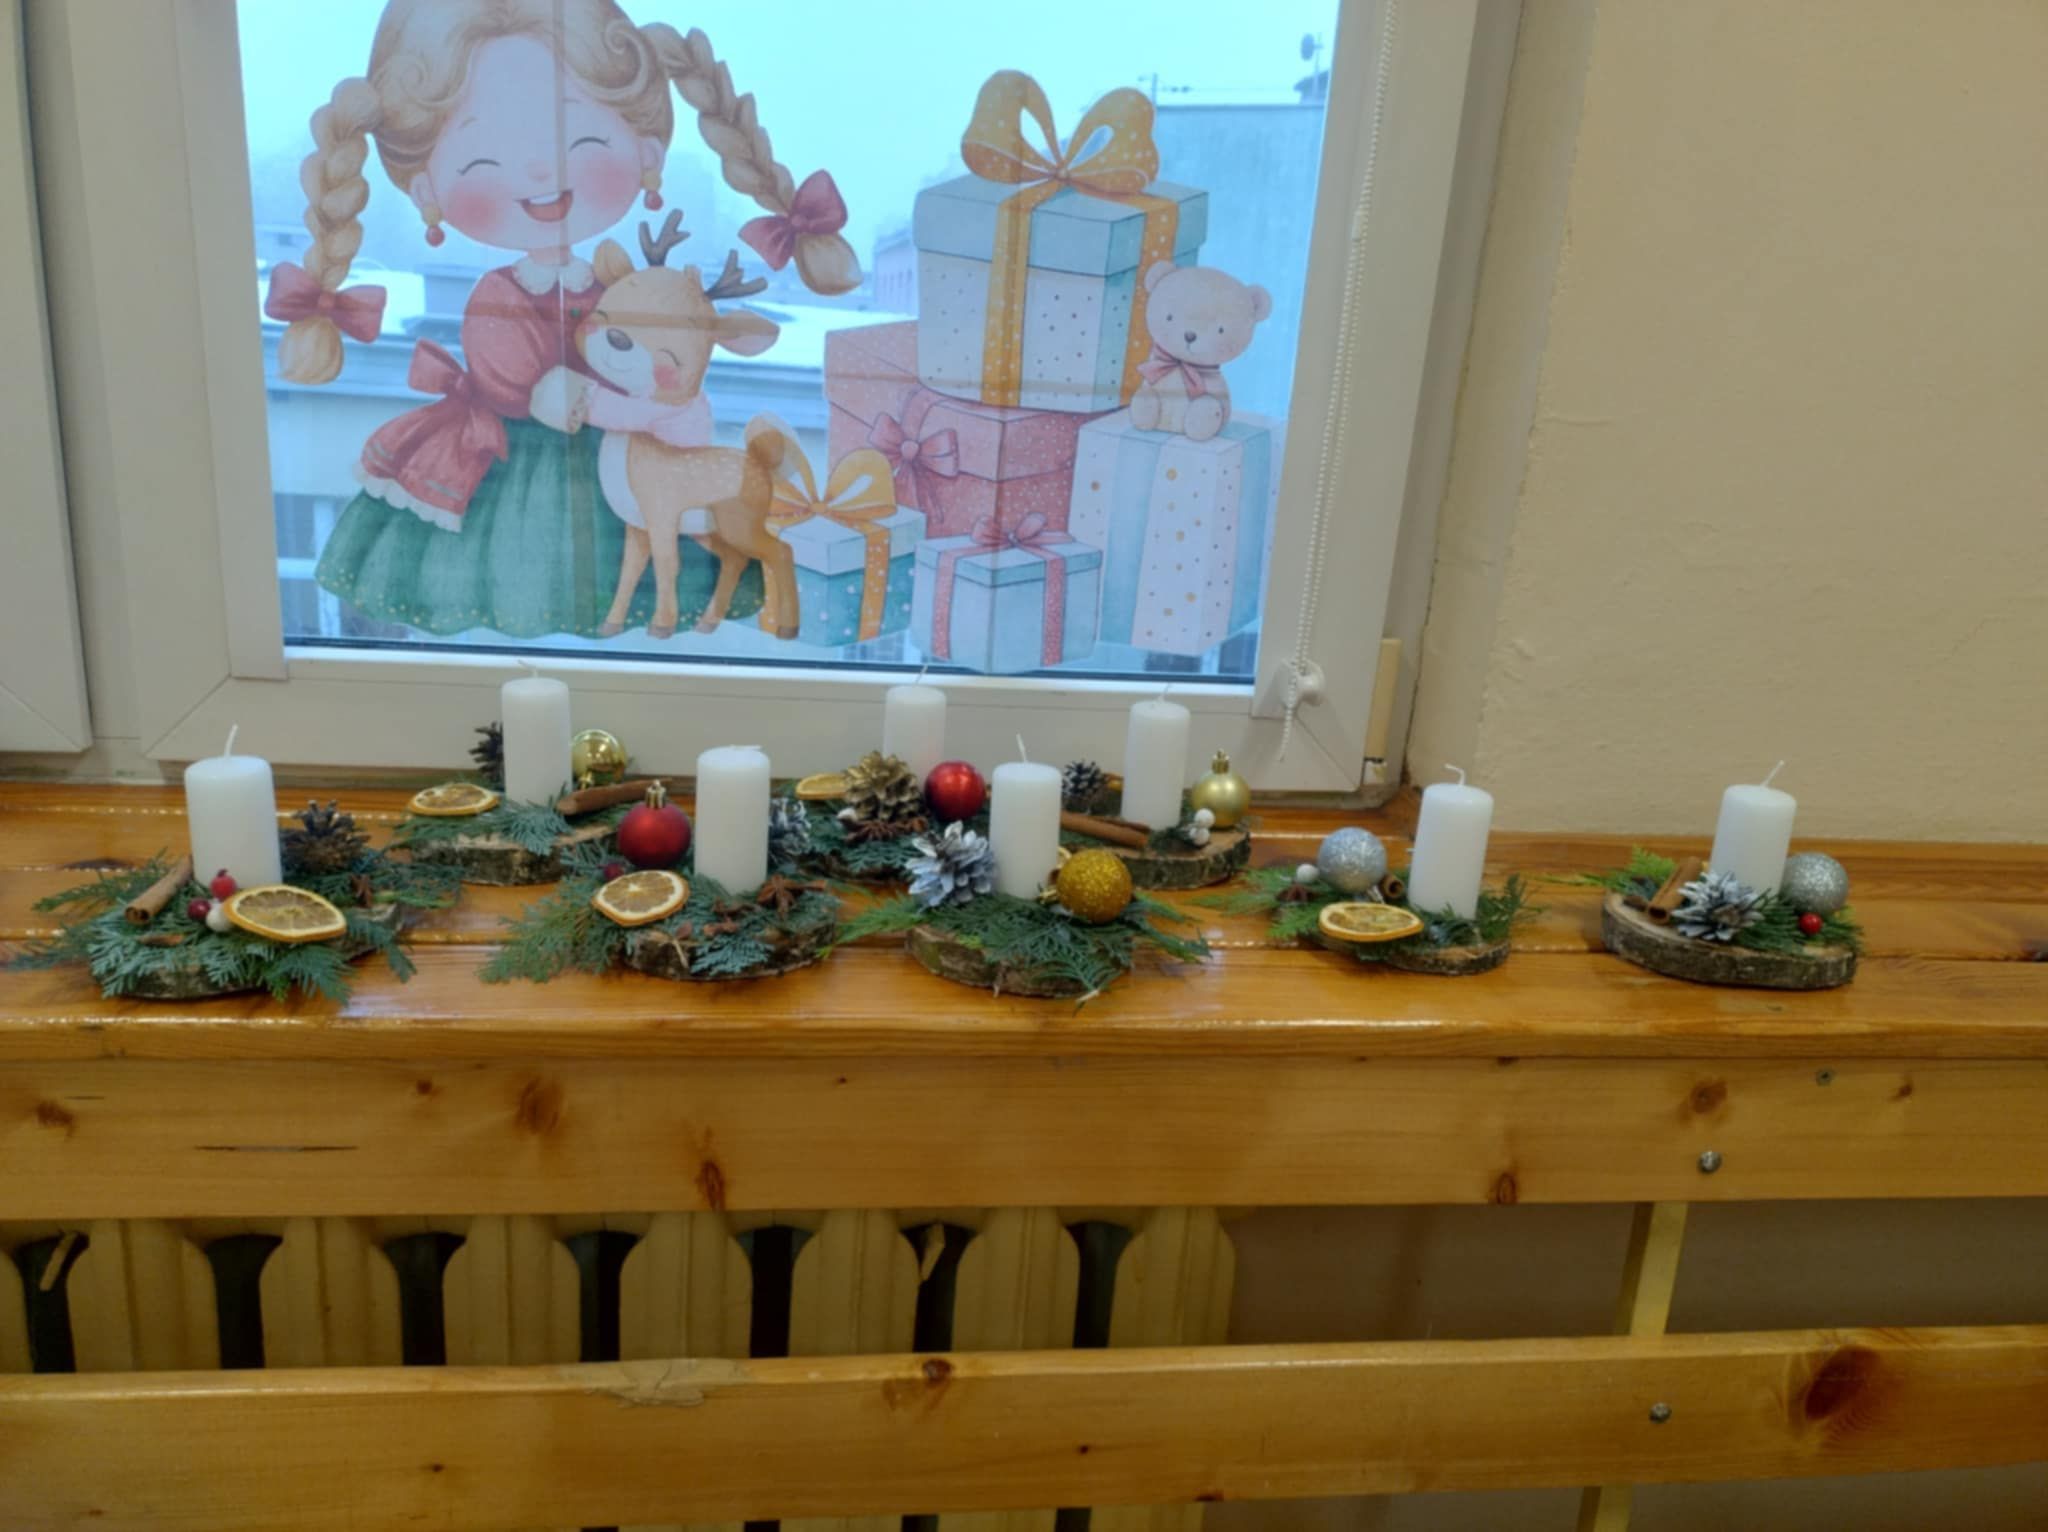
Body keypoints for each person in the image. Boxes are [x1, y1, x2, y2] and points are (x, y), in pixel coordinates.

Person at [270, 0, 856, 639]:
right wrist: (638, 412)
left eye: (584, 140)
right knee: (520, 582)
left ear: (648, 153)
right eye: (484, 157)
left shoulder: (615, 287)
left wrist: (670, 400)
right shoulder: (497, 296)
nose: (541, 170)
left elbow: (654, 358)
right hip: (512, 463)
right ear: (426, 192)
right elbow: (528, 388)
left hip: (623, 463)